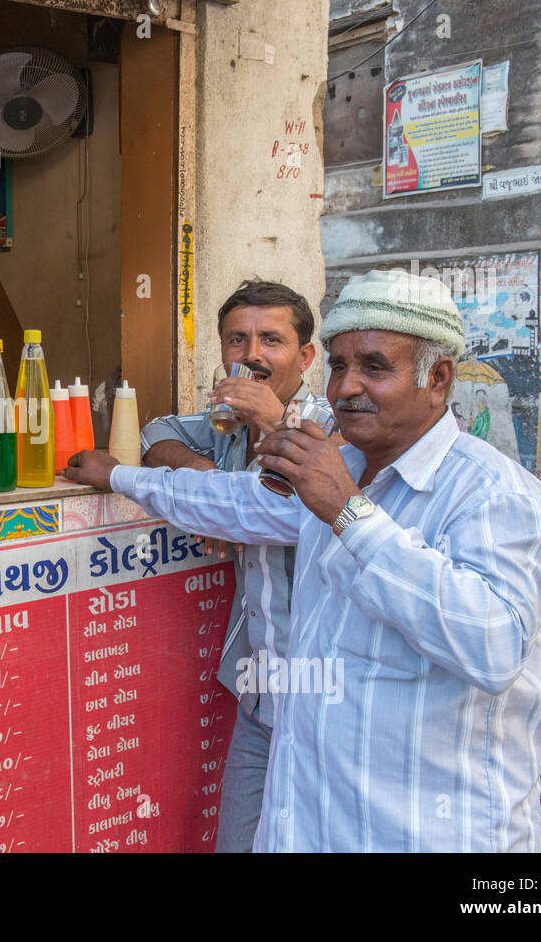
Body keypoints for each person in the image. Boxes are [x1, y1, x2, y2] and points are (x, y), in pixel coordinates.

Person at [66, 269, 541, 851]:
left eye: (375, 367)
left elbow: (494, 643)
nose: (348, 386)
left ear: (438, 378)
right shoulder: (337, 470)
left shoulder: (493, 494)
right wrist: (121, 474)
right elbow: (230, 499)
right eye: (339, 366)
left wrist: (349, 513)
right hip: (314, 816)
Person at [138, 280, 326, 853]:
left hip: (326, 692)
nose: (252, 355)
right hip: (261, 692)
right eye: (237, 339)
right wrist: (211, 485)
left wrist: (275, 422)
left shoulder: (333, 427)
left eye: (272, 339)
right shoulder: (227, 427)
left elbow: (325, 495)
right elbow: (156, 435)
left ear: (306, 356)